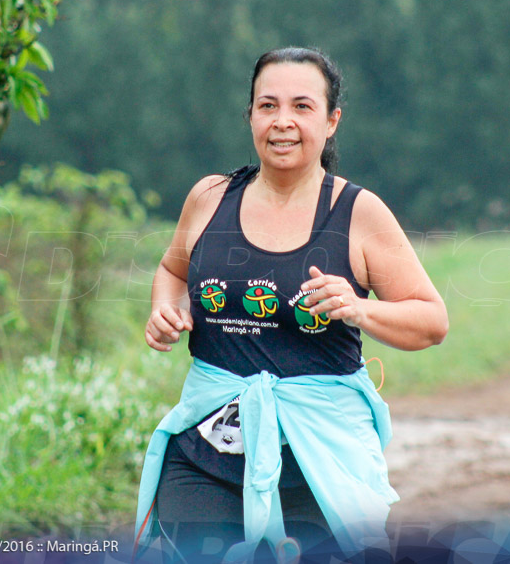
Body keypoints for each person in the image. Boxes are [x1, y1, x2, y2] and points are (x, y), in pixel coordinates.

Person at [134, 47, 448, 563]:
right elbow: (173, 270)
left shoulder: (358, 213)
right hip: (204, 450)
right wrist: (165, 310)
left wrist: (359, 309)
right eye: (267, 106)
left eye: (302, 107)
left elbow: (431, 320)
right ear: (251, 116)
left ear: (331, 121)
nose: (283, 122)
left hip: (316, 460)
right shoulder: (210, 197)